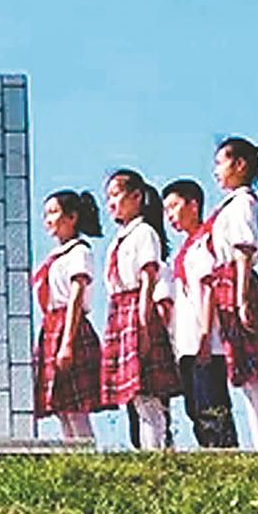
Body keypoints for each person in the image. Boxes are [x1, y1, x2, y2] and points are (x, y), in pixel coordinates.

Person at [204, 137, 258, 449]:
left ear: (240, 165)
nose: (216, 171)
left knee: (256, 372)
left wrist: (241, 298)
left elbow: (243, 249)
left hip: (237, 282)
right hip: (226, 282)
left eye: (220, 163)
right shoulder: (231, 204)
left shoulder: (243, 202)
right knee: (245, 371)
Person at [99, 170, 179, 450]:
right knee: (134, 394)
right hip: (120, 309)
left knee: (148, 392)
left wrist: (144, 322)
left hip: (136, 307)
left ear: (136, 197)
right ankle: (146, 448)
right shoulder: (119, 239)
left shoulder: (144, 233)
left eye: (116, 195)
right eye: (108, 197)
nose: (111, 203)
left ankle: (156, 450)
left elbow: (148, 278)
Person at [159, 178, 237, 448]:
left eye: (174, 207)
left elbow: (208, 288)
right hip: (186, 342)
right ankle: (210, 454)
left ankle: (226, 456)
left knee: (212, 406)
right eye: (166, 210)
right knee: (195, 409)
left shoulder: (205, 242)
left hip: (205, 340)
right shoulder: (186, 248)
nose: (170, 216)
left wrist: (205, 334)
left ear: (193, 205)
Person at [33, 190, 107, 442]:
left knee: (75, 406)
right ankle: (72, 454)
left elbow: (76, 296)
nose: (48, 219)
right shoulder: (57, 255)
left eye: (54, 212)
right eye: (46, 214)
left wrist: (67, 342)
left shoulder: (79, 252)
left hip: (69, 325)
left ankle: (87, 454)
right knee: (61, 406)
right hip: (52, 324)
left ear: (72, 217)